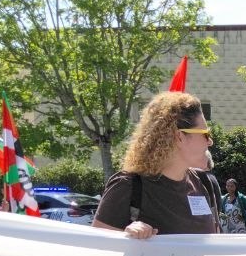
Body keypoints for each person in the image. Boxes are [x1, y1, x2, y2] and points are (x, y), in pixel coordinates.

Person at [93, 92, 219, 238]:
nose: (210, 141)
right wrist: (126, 235)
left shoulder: (203, 182)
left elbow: (216, 241)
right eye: (205, 134)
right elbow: (96, 244)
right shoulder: (127, 185)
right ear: (179, 137)